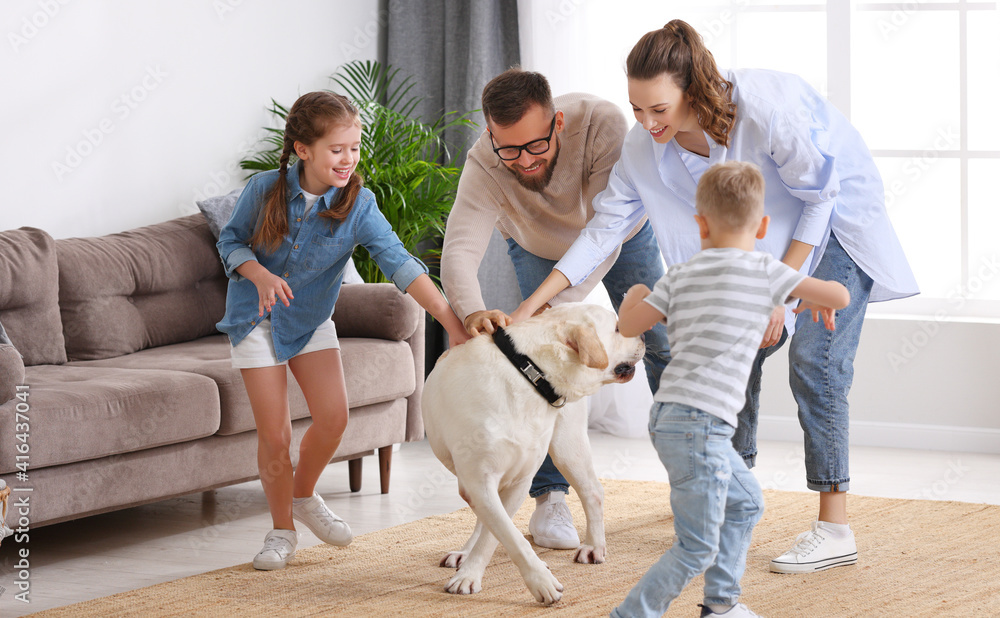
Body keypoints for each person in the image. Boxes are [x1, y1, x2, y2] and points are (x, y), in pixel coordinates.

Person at [513, 20, 919, 573]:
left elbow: (820, 196)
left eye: (659, 109)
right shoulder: (643, 147)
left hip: (834, 224)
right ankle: (727, 500)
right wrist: (531, 306)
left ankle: (834, 528)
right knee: (734, 352)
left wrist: (780, 294)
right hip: (760, 244)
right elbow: (603, 231)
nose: (646, 121)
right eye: (636, 108)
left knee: (814, 364)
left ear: (691, 89)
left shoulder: (764, 109)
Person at [217, 91, 470, 571]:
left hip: (309, 320)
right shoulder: (263, 189)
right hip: (254, 317)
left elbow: (398, 261)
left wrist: (451, 323)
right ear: (303, 149)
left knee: (334, 420)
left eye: (354, 148)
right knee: (274, 436)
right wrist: (260, 275)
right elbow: (229, 241)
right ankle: (281, 532)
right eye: (337, 149)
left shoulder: (359, 203)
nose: (348, 159)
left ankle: (304, 496)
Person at [440, 68, 672, 550]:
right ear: (490, 133)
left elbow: (602, 236)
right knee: (538, 371)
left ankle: (694, 477)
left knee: (666, 346)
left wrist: (541, 308)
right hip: (536, 246)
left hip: (620, 235)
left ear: (558, 122)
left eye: (535, 146)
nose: (522, 160)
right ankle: (550, 499)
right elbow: (459, 249)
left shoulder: (602, 124)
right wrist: (471, 314)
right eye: (509, 148)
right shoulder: (485, 163)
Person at [612, 161, 850, 618]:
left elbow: (627, 325)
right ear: (761, 226)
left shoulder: (679, 276)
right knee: (696, 546)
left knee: (744, 504)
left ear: (699, 224)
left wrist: (636, 290)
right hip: (701, 427)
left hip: (673, 420)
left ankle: (720, 607)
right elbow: (839, 295)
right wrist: (816, 295)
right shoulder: (765, 270)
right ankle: (631, 614)